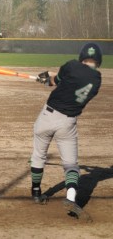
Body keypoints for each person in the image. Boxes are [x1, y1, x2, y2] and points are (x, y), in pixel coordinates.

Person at [30, 42, 102, 217]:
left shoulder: (71, 65)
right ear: (98, 60)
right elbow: (71, 82)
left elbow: (56, 81)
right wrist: (50, 78)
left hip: (47, 117)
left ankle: (37, 192)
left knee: (39, 155)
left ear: (81, 56)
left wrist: (46, 79)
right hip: (68, 123)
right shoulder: (97, 79)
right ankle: (71, 198)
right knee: (71, 165)